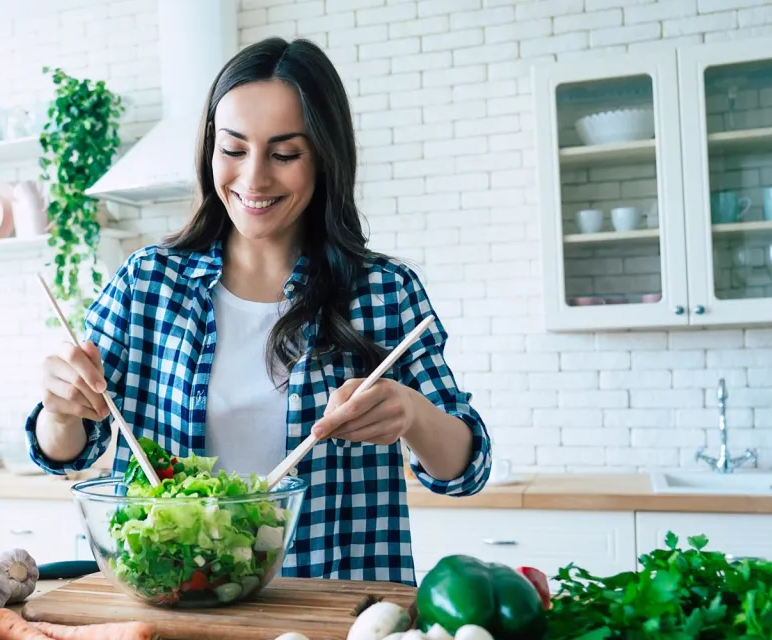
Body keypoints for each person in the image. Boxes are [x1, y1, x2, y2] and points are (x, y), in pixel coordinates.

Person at [24, 37, 492, 585]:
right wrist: (60, 411)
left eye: (285, 154)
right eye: (233, 149)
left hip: (333, 606)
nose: (253, 179)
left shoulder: (384, 292)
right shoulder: (147, 283)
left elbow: (465, 470)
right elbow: (68, 455)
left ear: (325, 157)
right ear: (210, 150)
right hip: (176, 604)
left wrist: (412, 414)